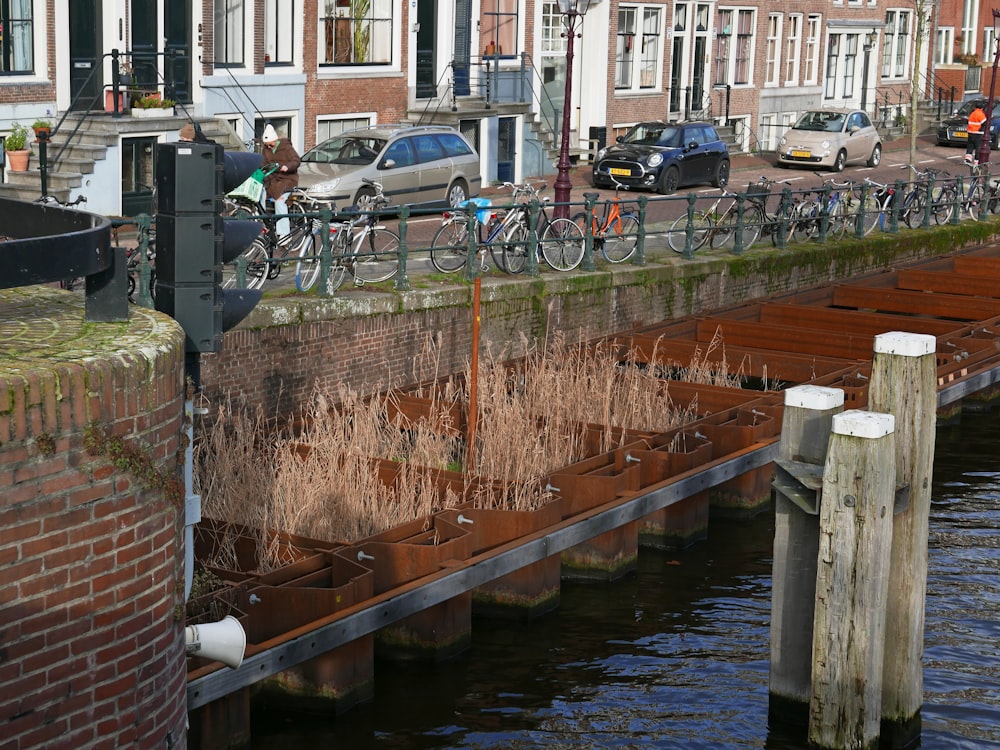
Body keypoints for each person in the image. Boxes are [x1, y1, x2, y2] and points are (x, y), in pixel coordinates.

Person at [260, 123, 300, 241]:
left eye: (271, 145)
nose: (269, 147)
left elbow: (296, 160)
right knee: (259, 193)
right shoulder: (266, 149)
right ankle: (262, 225)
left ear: (275, 141)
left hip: (288, 180)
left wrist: (287, 166)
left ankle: (284, 234)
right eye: (267, 146)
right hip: (272, 179)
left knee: (279, 202)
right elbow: (263, 163)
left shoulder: (287, 148)